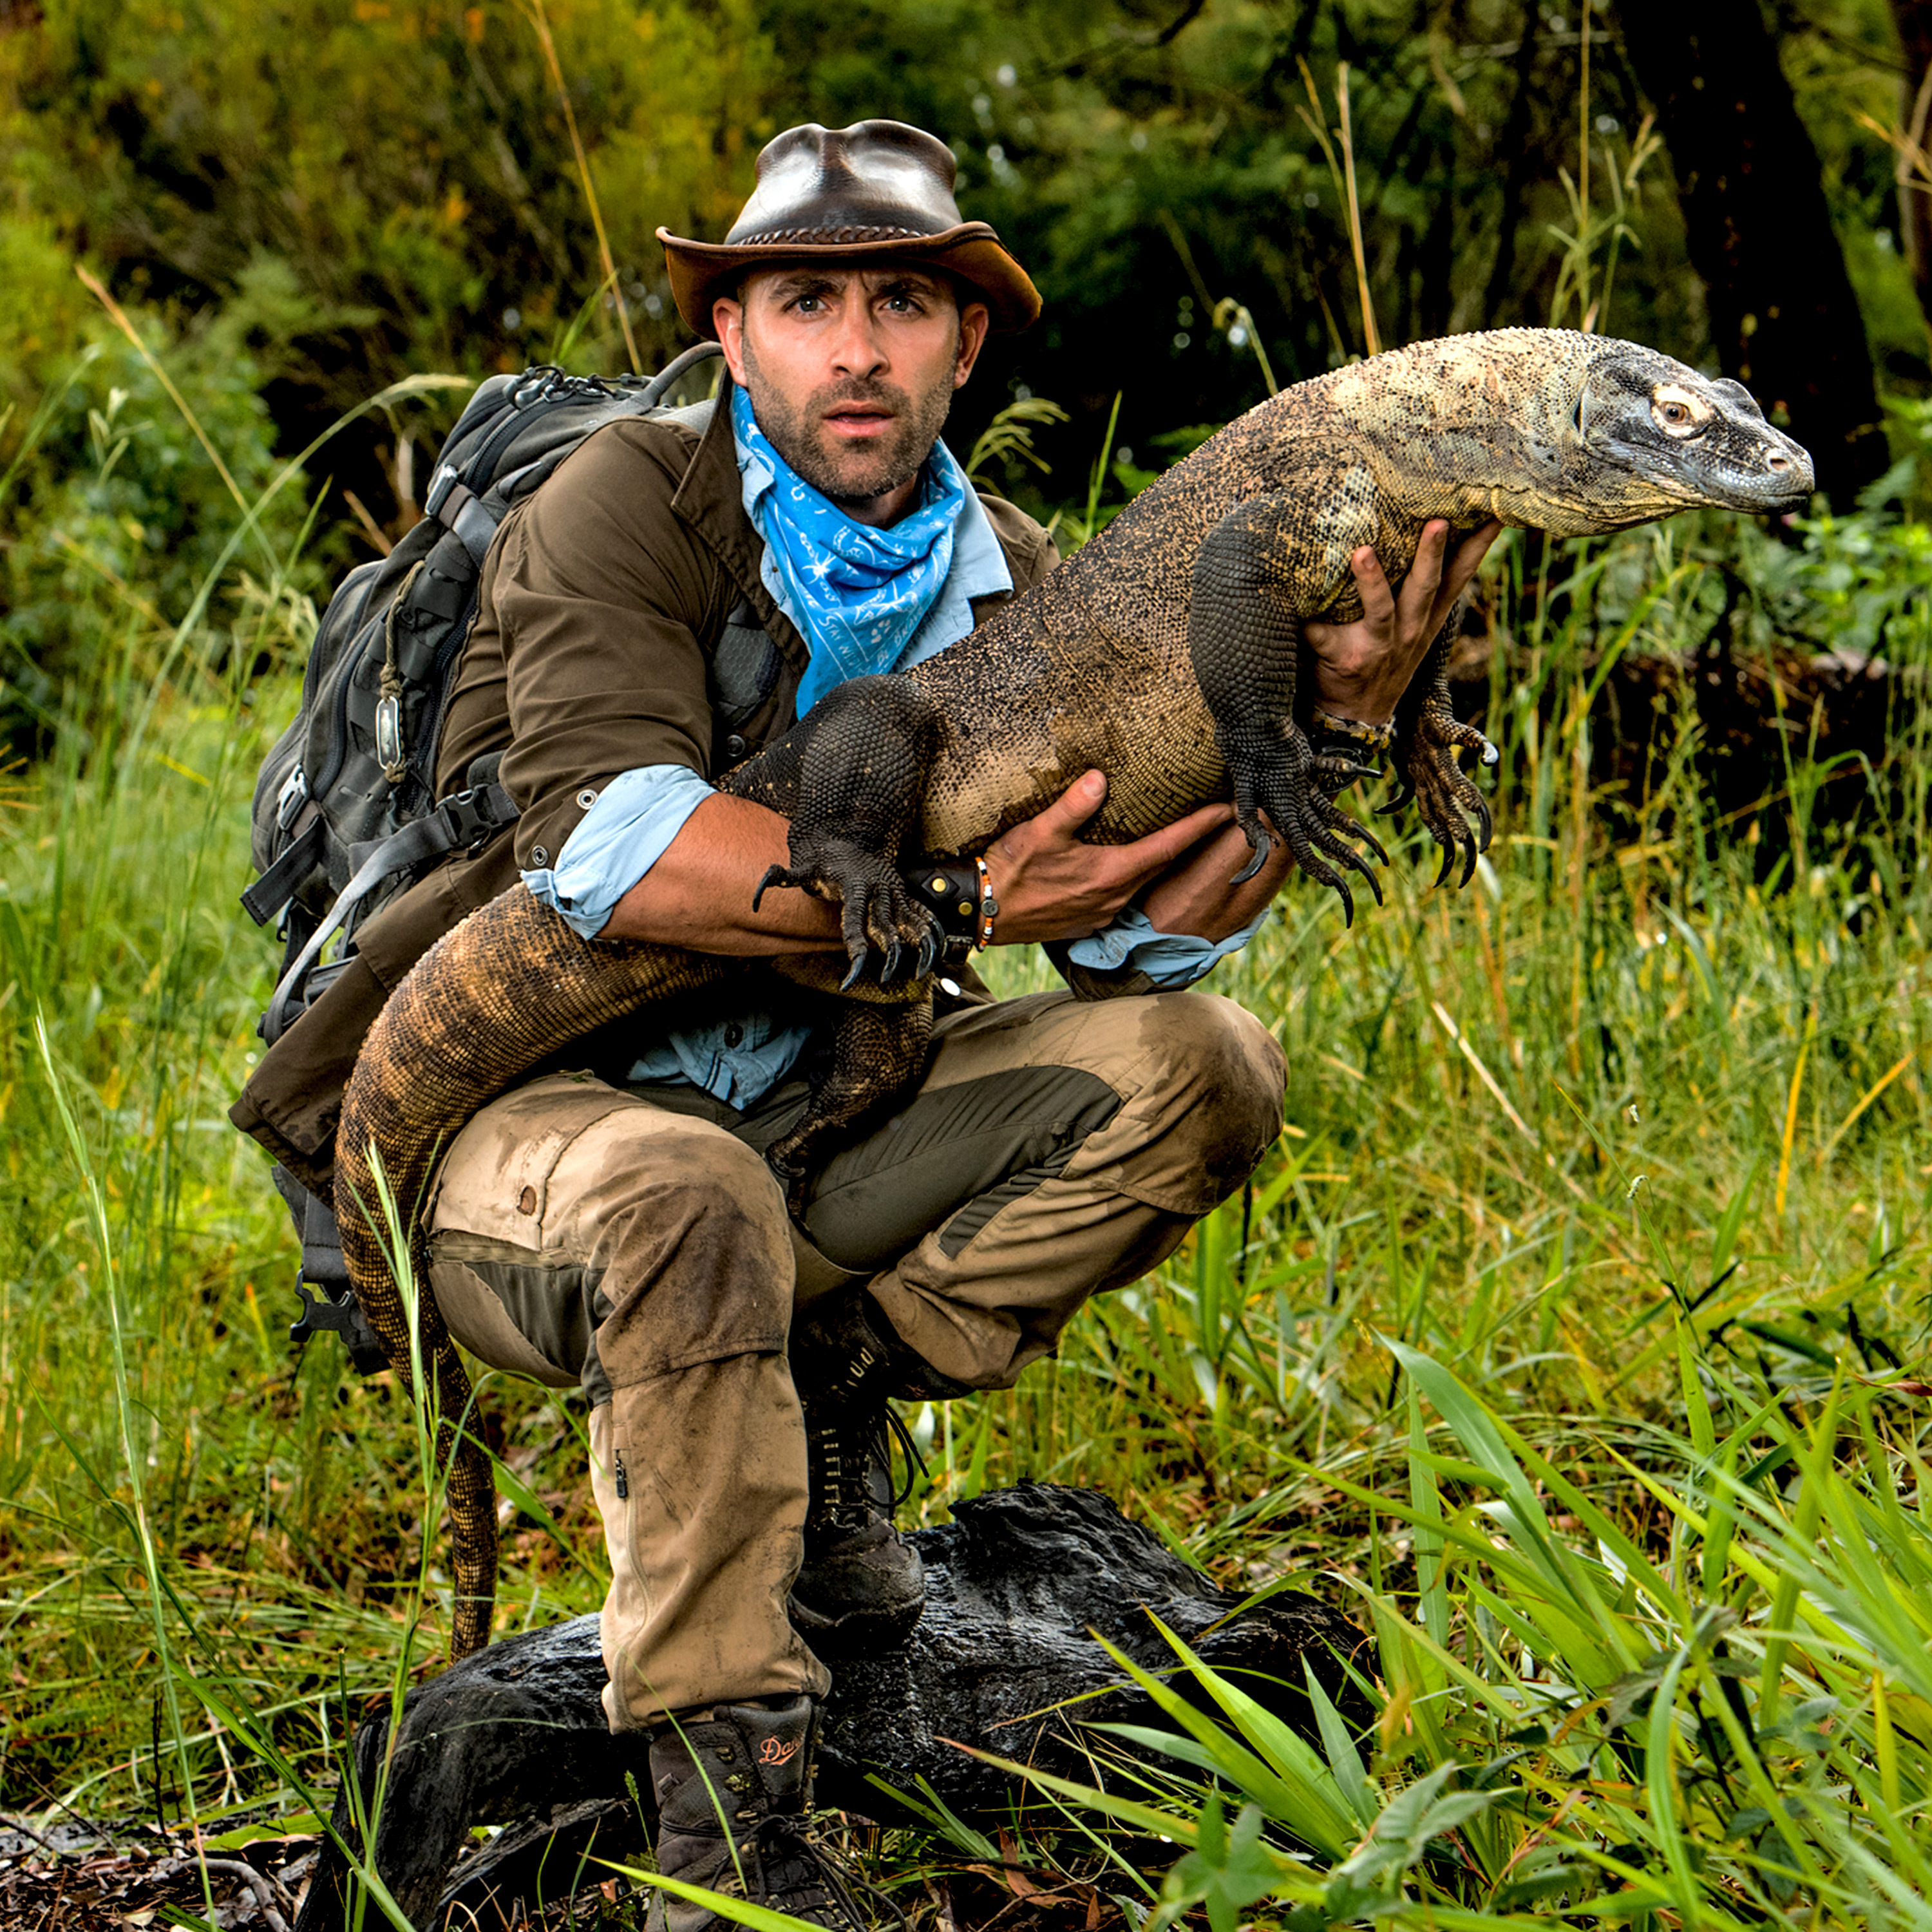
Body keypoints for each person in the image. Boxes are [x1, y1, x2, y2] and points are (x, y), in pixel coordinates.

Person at [239, 118, 1497, 1931]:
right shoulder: (623, 502)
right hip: (535, 1128)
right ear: (734, 338)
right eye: (803, 300)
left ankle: (811, 1393)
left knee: (1200, 1070)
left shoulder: (1026, 576)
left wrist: (1325, 730)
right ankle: (723, 1822)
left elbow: (1138, 949)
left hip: (817, 1111)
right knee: (685, 1199)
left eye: (902, 302)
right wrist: (968, 909)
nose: (856, 345)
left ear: (961, 348)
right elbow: (608, 854)